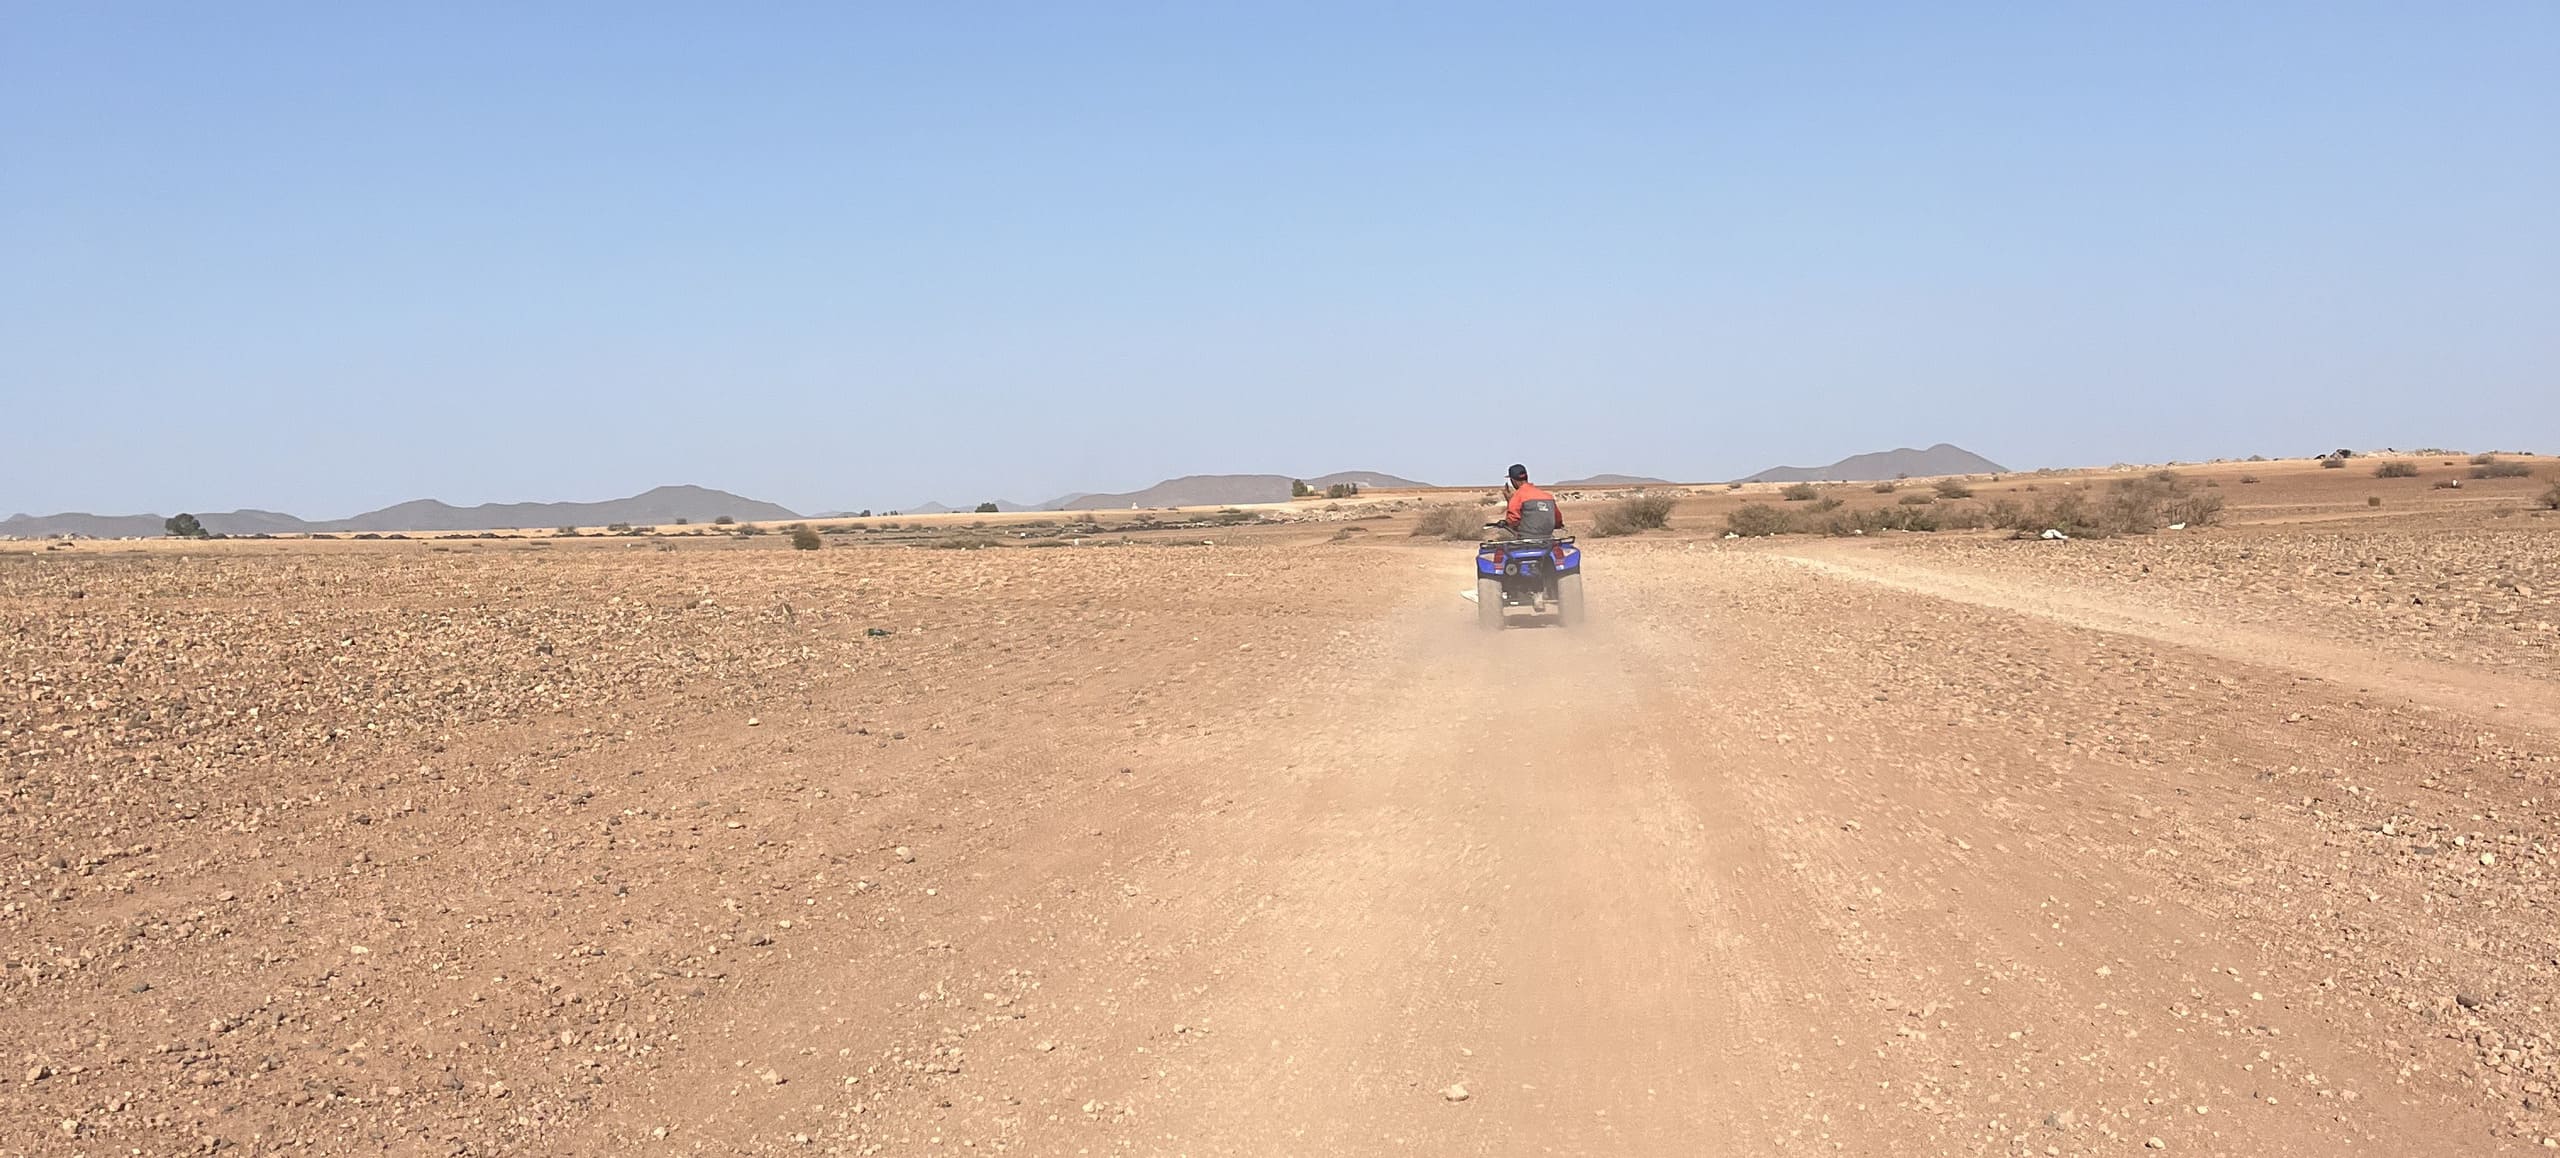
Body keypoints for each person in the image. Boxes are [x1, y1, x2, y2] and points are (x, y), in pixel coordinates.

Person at [1500, 464, 1563, 537]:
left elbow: (1512, 521)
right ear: (1527, 477)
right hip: (1547, 538)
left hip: (1526, 539)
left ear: (1512, 480)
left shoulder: (1518, 496)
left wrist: (1509, 501)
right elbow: (1558, 521)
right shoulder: (1548, 496)